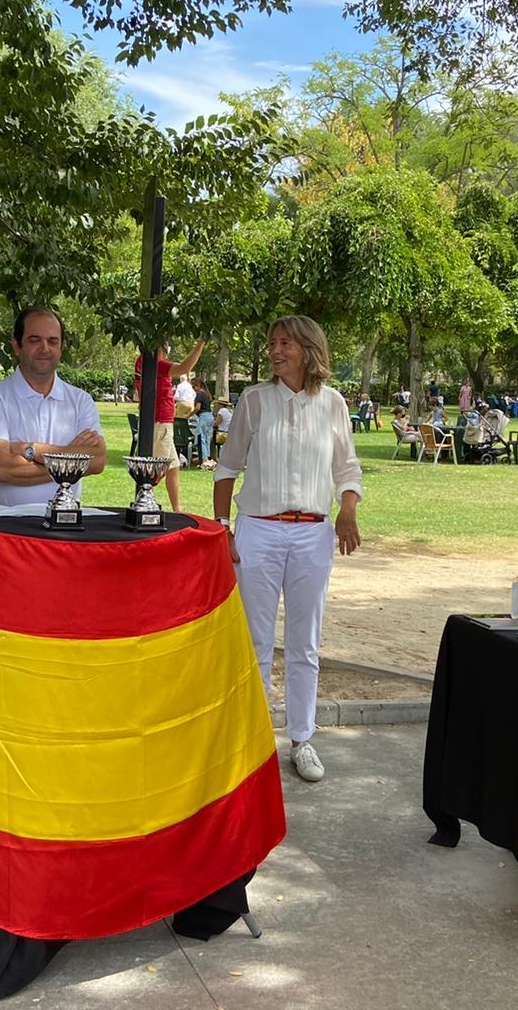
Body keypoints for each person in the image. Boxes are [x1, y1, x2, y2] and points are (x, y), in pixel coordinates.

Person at [213, 315, 362, 784]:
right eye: (272, 343)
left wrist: (348, 511)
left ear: (308, 349)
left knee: (305, 643)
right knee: (254, 641)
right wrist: (224, 530)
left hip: (312, 534)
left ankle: (302, 739)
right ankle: (255, 741)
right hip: (258, 530)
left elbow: (348, 469)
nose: (276, 351)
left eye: (286, 344)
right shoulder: (254, 401)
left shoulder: (333, 404)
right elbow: (226, 468)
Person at [0, 306, 105, 505]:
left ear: (61, 347)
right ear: (17, 345)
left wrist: (32, 450)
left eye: (53, 341)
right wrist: (70, 462)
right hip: (5, 523)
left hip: (65, 524)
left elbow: (97, 460)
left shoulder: (81, 401)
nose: (45, 348)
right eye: (35, 340)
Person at [133, 340, 205, 513]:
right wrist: (201, 343)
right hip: (160, 424)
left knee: (173, 467)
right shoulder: (157, 364)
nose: (168, 347)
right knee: (154, 472)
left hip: (161, 423)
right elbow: (184, 367)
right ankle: (143, 506)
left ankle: (176, 509)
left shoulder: (143, 362)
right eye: (165, 343)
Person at [192, 378, 215, 467]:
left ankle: (204, 459)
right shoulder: (207, 394)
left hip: (203, 416)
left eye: (193, 387)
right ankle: (208, 457)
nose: (193, 389)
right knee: (207, 438)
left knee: (201, 437)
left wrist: (189, 414)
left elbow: (197, 408)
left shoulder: (199, 394)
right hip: (210, 416)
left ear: (197, 386)